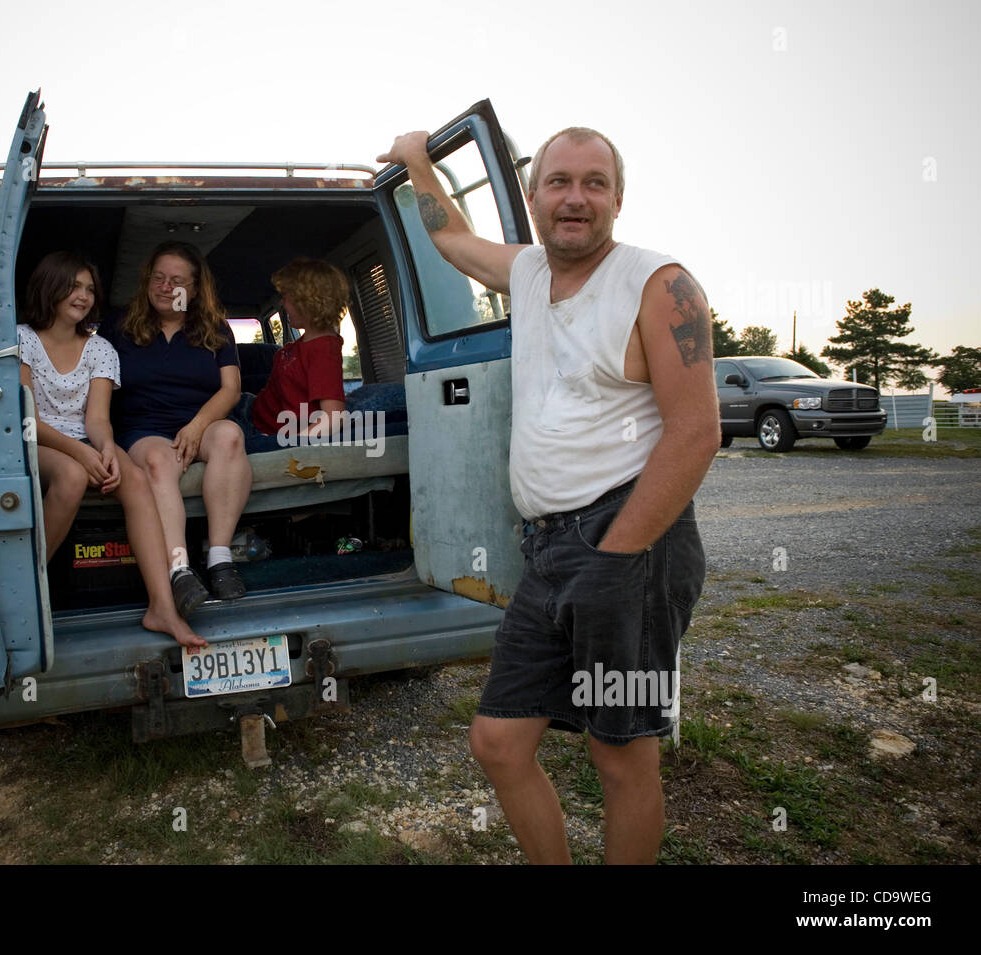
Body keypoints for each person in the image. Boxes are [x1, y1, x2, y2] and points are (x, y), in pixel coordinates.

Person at [377, 127, 720, 864]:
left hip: (632, 541)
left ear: (618, 199)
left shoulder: (659, 284)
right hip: (549, 547)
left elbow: (696, 433)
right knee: (499, 741)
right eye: (559, 182)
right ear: (532, 199)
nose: (576, 198)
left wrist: (617, 555)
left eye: (594, 183)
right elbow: (454, 241)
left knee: (620, 754)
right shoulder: (529, 272)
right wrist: (415, 162)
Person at [17, 250, 205, 649]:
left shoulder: (100, 347)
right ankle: (25, 591)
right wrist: (82, 455)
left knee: (135, 480)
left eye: (89, 288)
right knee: (70, 476)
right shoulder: (22, 341)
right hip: (40, 438)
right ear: (48, 288)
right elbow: (29, 419)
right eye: (72, 286)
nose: (82, 295)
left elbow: (98, 420)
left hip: (85, 438)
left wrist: (103, 449)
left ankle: (162, 609)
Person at [98, 241, 253, 617]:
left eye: (177, 281)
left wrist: (198, 426)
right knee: (156, 461)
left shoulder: (214, 328)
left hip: (201, 421)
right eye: (159, 278)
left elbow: (231, 389)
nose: (166, 287)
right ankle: (179, 569)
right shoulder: (118, 327)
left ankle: (219, 558)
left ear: (196, 289)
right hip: (142, 427)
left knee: (231, 436)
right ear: (147, 281)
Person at [235, 257, 349, 442]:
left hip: (257, 426)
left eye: (286, 297)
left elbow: (334, 417)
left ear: (307, 301)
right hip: (252, 409)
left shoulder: (323, 350)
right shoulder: (304, 343)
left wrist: (291, 443)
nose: (282, 303)